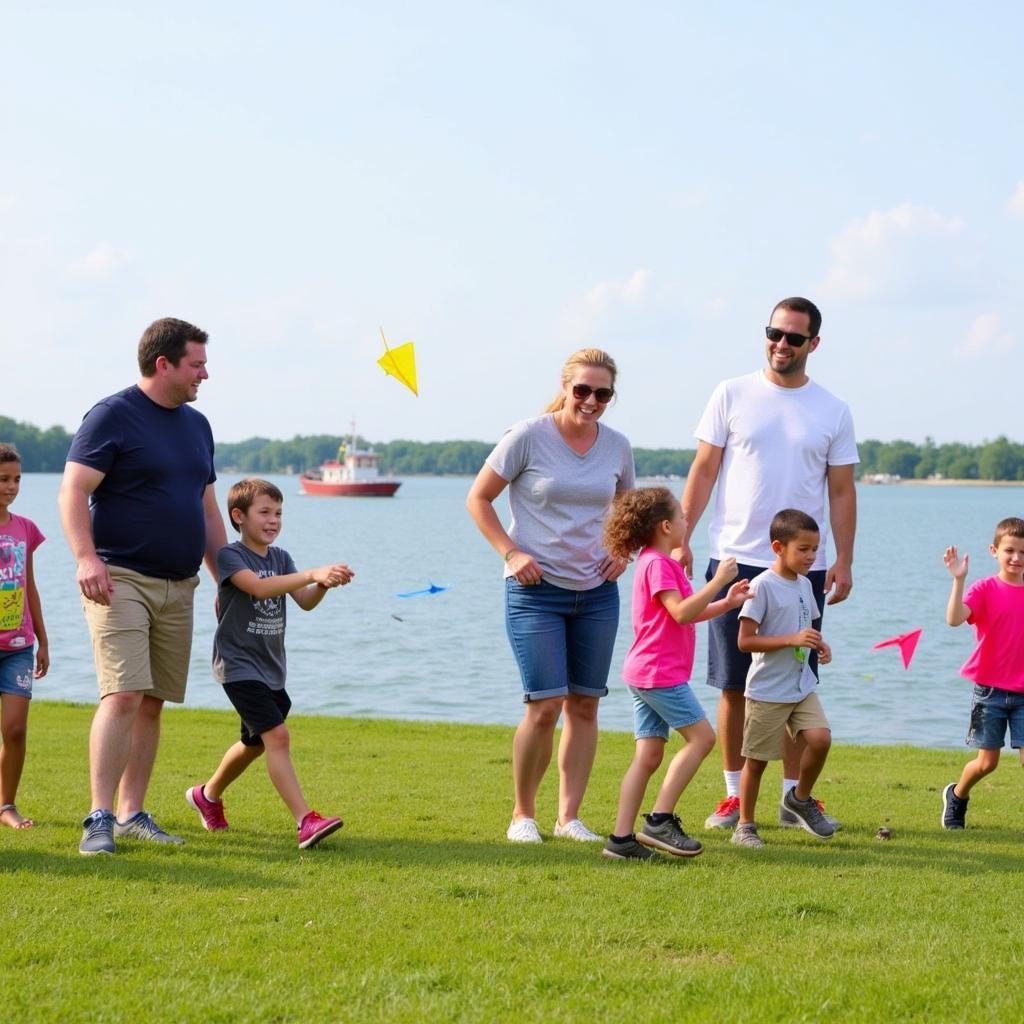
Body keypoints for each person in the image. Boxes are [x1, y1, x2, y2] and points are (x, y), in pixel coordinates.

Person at [679, 296, 857, 831]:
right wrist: (681, 538)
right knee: (736, 684)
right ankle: (735, 796)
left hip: (805, 567)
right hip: (736, 562)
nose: (781, 344)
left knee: (796, 679)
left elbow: (842, 492)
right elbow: (704, 470)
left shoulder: (833, 409)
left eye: (794, 337)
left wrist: (843, 559)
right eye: (774, 333)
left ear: (813, 345)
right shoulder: (730, 393)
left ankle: (792, 798)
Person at [59, 317, 227, 856]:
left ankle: (133, 813)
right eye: (196, 364)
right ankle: (99, 818)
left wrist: (227, 578)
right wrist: (86, 557)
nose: (205, 373)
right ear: (165, 364)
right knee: (124, 693)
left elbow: (206, 508)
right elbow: (73, 490)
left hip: (181, 585)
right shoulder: (113, 416)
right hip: (119, 577)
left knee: (152, 701)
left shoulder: (197, 426)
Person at [467, 349, 635, 844]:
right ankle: (523, 816)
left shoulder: (618, 446)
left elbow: (628, 510)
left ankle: (569, 818)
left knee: (584, 707)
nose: (590, 400)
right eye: (582, 389)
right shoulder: (527, 436)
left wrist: (622, 554)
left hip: (597, 593)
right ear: (565, 386)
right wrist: (511, 553)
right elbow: (478, 498)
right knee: (544, 705)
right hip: (534, 590)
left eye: (602, 393)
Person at [186, 479, 353, 849]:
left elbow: (304, 602)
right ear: (238, 516)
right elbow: (259, 589)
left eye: (278, 513)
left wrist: (323, 584)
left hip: (271, 668)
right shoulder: (231, 557)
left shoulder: (281, 558)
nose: (273, 520)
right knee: (276, 736)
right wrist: (313, 572)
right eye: (264, 512)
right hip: (238, 665)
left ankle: (206, 795)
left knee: (255, 742)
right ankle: (305, 821)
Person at [599, 487, 750, 860]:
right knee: (702, 739)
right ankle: (660, 819)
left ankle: (621, 841)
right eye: (683, 517)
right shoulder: (658, 565)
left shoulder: (656, 562)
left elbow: (687, 611)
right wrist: (719, 581)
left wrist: (726, 602)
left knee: (648, 756)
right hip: (658, 673)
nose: (687, 522)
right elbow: (680, 612)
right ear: (667, 526)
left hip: (647, 672)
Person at [731, 510, 835, 848]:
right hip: (767, 691)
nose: (811, 556)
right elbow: (745, 641)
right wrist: (790, 640)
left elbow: (807, 628)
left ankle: (799, 799)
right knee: (757, 763)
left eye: (815, 549)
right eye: (803, 549)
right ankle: (745, 826)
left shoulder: (806, 584)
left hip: (800, 686)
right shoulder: (762, 587)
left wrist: (819, 645)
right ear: (778, 547)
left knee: (820, 739)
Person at [940, 518, 1024, 829]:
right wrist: (958, 579)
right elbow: (954, 619)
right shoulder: (985, 588)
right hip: (989, 692)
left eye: (1023, 552)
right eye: (1010, 551)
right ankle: (957, 795)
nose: (1017, 558)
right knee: (987, 763)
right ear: (994, 550)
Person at [0, 443, 49, 829]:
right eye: (3, 479)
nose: (11, 486)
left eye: (16, 479)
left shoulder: (25, 529)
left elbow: (29, 585)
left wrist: (43, 640)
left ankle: (7, 807)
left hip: (19, 646)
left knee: (15, 729)